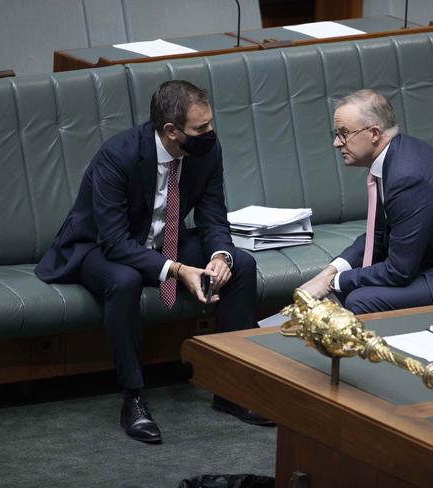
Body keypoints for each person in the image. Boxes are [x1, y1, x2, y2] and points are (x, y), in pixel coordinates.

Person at [35, 80, 273, 444]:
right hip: (95, 249)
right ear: (171, 131)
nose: (210, 133)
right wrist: (177, 269)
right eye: (201, 128)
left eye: (210, 124)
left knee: (241, 265)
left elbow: (212, 214)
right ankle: (133, 398)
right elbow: (114, 241)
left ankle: (232, 390)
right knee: (126, 279)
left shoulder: (206, 151)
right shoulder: (119, 156)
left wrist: (219, 256)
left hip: (165, 244)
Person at [301, 89, 433, 313]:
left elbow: (398, 271)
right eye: (336, 133)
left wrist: (332, 283)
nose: (337, 143)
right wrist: (331, 271)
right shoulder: (397, 155)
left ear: (374, 133)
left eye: (344, 133)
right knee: (349, 288)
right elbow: (378, 234)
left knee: (360, 299)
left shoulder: (407, 176)